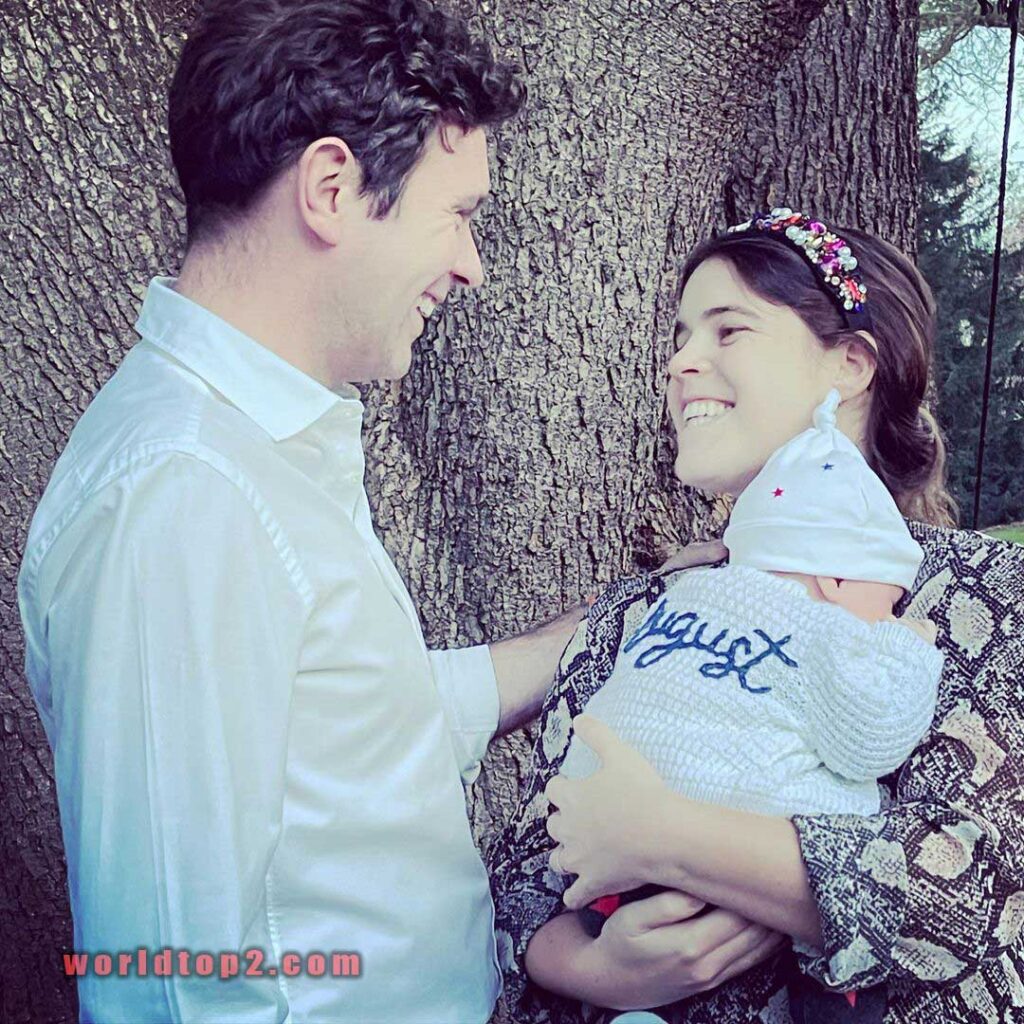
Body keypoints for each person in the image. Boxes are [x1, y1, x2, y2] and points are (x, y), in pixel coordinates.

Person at [14, 1, 721, 1019]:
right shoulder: (179, 494)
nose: (471, 265)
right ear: (332, 189)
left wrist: (634, 612)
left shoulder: (262, 449)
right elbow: (168, 981)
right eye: (460, 214)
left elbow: (361, 724)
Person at [490, 210, 1024, 1022]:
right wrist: (596, 972)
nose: (680, 362)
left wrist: (667, 834)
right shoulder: (648, 608)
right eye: (679, 336)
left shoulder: (979, 599)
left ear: (849, 364)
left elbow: (985, 897)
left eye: (727, 329)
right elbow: (522, 880)